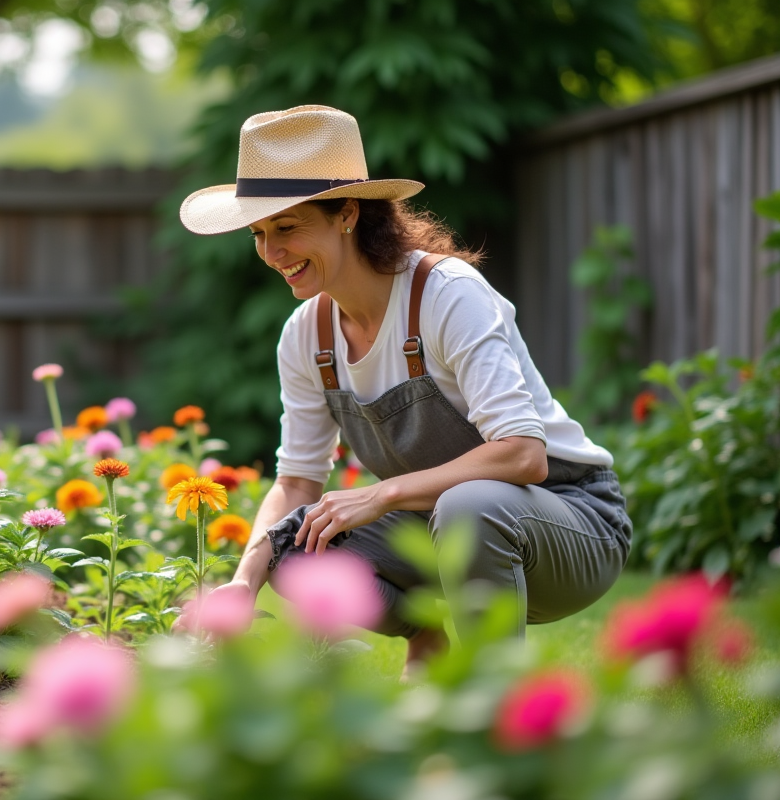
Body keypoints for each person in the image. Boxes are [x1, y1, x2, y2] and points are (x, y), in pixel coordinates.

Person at [176, 105, 631, 672]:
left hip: (569, 523)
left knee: (469, 504)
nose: (271, 253)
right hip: (440, 527)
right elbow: (295, 481)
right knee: (292, 548)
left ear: (346, 213)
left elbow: (523, 455)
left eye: (287, 227)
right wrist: (243, 583)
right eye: (259, 234)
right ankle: (426, 632)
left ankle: (492, 700)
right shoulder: (306, 336)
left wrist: (381, 494)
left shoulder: (447, 295)